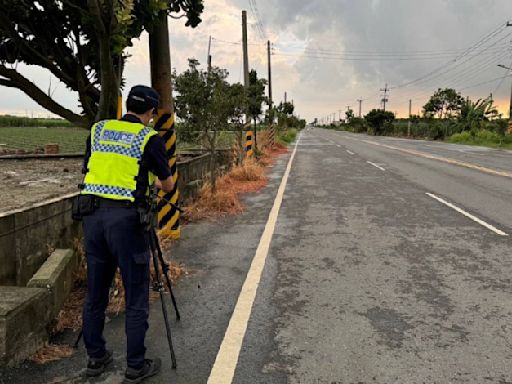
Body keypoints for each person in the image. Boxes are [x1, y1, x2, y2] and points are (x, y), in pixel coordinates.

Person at [79, 85, 174, 383]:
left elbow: (88, 170)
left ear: (127, 106)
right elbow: (167, 185)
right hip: (126, 222)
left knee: (95, 292)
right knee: (135, 295)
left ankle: (96, 357)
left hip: (92, 218)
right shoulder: (149, 138)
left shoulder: (98, 130)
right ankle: (135, 365)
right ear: (151, 112)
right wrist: (149, 187)